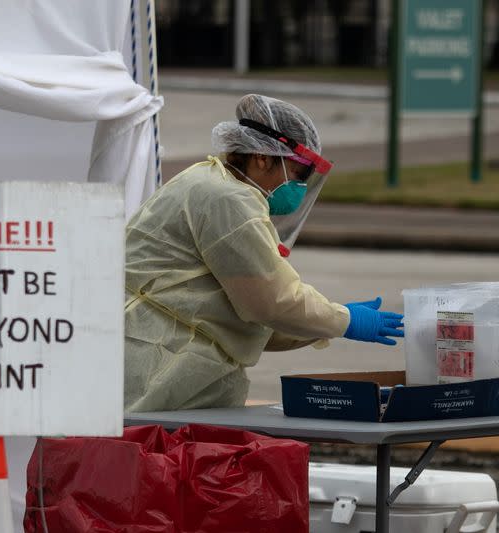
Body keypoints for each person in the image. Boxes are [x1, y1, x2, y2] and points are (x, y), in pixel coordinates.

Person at [124, 94, 403, 412]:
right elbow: (273, 302)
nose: (299, 186)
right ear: (262, 158)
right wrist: (345, 320)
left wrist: (327, 322)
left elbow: (247, 315)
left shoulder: (211, 182)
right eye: (298, 174)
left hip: (157, 360)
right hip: (155, 367)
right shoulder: (229, 201)